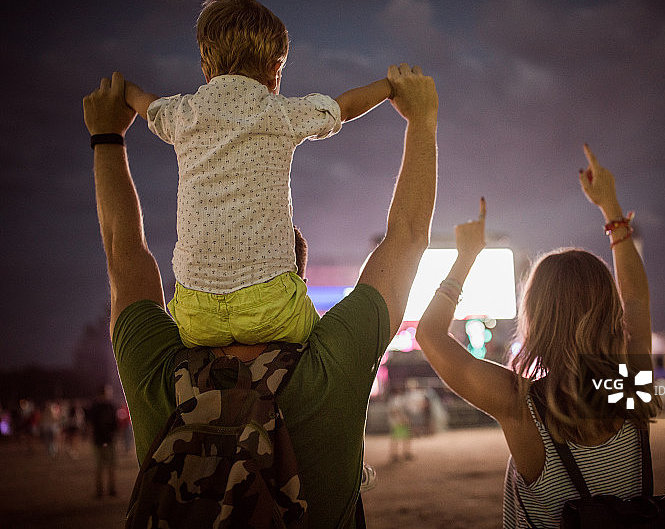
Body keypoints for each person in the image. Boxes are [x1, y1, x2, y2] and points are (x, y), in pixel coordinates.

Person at [83, 62, 437, 527]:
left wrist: (106, 138)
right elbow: (408, 236)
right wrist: (423, 120)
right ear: (294, 280)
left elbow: (121, 251)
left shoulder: (157, 371)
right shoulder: (331, 367)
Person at [123, 0, 394, 349]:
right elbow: (342, 107)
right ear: (275, 73)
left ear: (206, 70)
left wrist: (124, 91)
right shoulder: (279, 113)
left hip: (194, 313)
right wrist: (390, 86)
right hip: (270, 306)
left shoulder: (184, 114)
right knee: (325, 348)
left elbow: (146, 104)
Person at [415, 146, 661, 529]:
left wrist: (465, 257)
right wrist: (611, 209)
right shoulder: (632, 382)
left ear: (538, 320)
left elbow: (429, 335)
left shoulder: (520, 403)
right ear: (609, 310)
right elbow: (636, 299)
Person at [86, 385, 119, 498]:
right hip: (101, 440)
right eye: (108, 392)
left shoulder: (109, 406)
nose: (109, 394)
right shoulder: (98, 406)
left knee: (108, 466)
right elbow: (91, 423)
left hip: (106, 440)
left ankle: (109, 489)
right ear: (103, 393)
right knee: (101, 466)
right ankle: (102, 490)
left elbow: (115, 423)